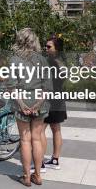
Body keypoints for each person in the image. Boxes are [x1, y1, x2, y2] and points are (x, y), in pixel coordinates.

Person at [9, 28, 52, 187]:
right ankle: (38, 175)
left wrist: (22, 105)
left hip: (22, 101)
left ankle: (26, 176)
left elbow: (12, 87)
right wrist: (37, 104)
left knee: (25, 140)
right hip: (39, 102)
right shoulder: (42, 59)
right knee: (36, 138)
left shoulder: (14, 59)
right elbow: (47, 87)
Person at [41, 35, 67, 170]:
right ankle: (55, 159)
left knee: (40, 130)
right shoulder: (63, 62)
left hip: (49, 100)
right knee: (56, 129)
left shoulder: (50, 62)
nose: (46, 48)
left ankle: (40, 163)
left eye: (48, 46)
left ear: (56, 49)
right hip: (59, 99)